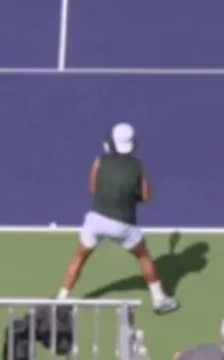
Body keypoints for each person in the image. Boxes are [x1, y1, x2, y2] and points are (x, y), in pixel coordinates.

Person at [56, 123, 179, 314]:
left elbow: (93, 189)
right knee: (144, 256)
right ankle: (159, 299)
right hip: (123, 226)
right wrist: (131, 196)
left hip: (96, 221)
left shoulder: (99, 161)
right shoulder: (138, 166)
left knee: (80, 257)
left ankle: (61, 299)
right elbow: (147, 197)